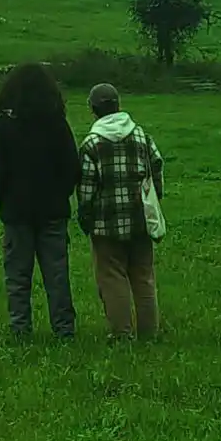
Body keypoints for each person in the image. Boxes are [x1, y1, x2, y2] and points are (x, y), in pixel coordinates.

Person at [0, 62, 81, 339]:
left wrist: (6, 199)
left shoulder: (3, 126)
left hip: (16, 211)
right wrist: (60, 194)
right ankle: (64, 329)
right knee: (57, 274)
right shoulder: (58, 125)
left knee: (17, 275)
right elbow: (71, 168)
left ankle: (20, 329)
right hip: (53, 210)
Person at [76, 82, 165, 340]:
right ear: (118, 105)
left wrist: (85, 216)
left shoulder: (92, 143)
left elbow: (86, 188)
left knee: (112, 277)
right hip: (141, 218)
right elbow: (156, 166)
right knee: (143, 276)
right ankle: (149, 332)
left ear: (93, 109)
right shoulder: (141, 136)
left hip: (106, 224)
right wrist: (155, 199)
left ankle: (122, 333)